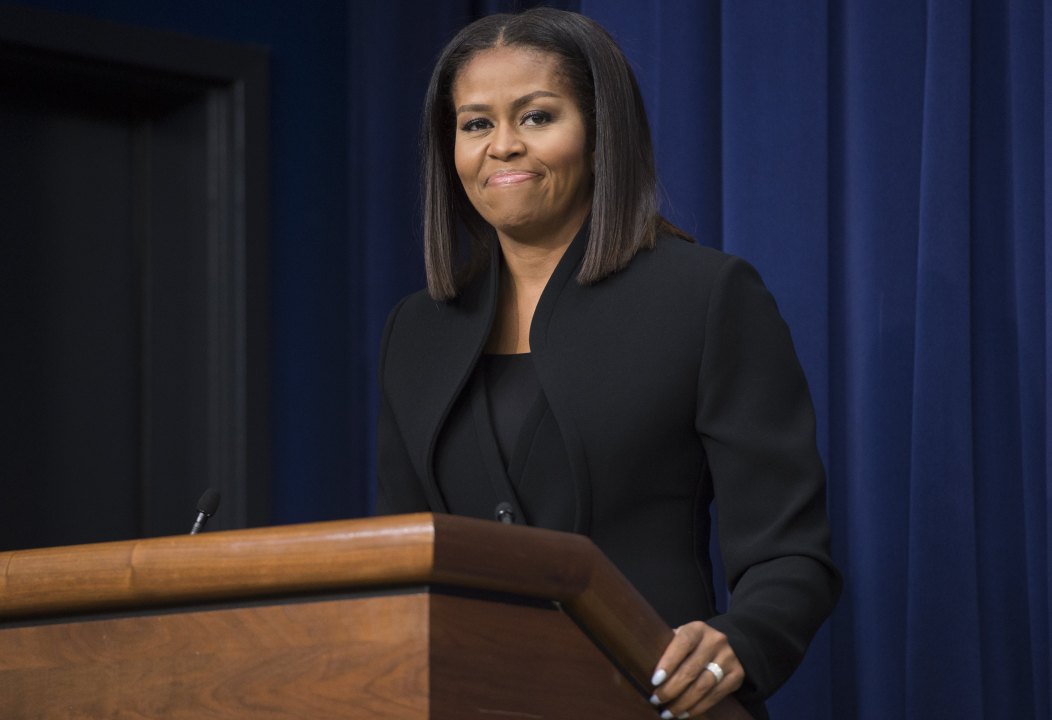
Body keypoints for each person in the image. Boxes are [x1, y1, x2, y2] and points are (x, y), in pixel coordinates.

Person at [374, 8, 840, 719]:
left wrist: (738, 641)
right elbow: (399, 564)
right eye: (475, 124)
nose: (502, 145)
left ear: (599, 133)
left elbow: (791, 556)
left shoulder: (704, 296)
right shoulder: (416, 330)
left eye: (536, 117)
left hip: (651, 701)